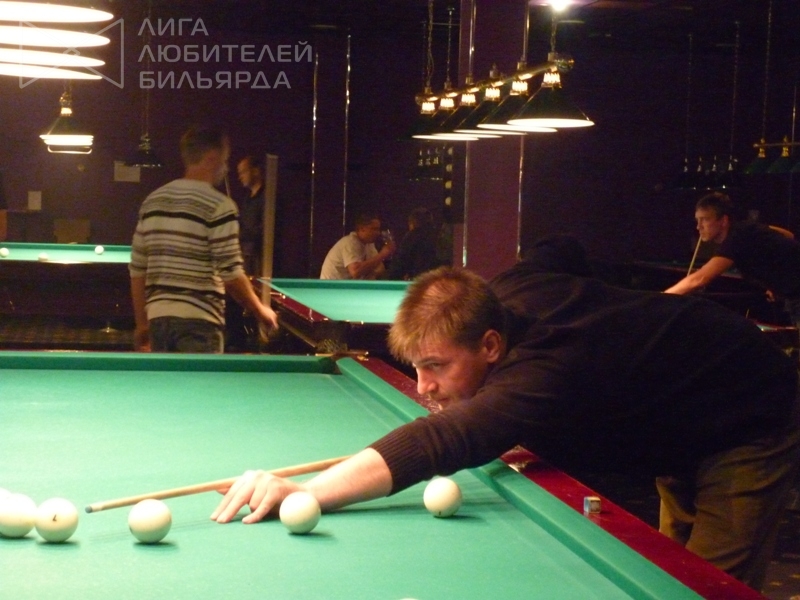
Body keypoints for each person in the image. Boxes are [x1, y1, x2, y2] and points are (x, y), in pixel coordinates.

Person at [212, 251, 800, 592]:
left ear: (491, 345)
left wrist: (310, 491)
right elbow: (558, 248)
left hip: (745, 414)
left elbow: (441, 441)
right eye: (416, 367)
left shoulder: (542, 373)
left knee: (706, 586)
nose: (424, 387)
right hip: (669, 411)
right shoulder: (501, 292)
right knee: (668, 567)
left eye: (436, 367)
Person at [129, 126, 278, 353]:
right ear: (212, 158)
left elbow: (137, 269)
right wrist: (260, 311)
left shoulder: (153, 201)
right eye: (225, 161)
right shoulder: (219, 206)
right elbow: (231, 274)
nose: (226, 168)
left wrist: (142, 324)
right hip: (199, 323)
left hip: (158, 320)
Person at [665, 191, 800, 327]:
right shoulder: (745, 229)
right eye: (697, 220)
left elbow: (699, 279)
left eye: (705, 219)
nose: (698, 226)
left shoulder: (737, 238)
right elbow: (788, 234)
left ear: (723, 221)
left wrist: (662, 298)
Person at [225, 154, 265, 352]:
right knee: (233, 299)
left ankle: (254, 342)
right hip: (244, 256)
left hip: (259, 260)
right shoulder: (248, 199)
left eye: (243, 171)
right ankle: (236, 342)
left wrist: (239, 230)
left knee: (251, 300)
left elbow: (264, 232)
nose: (240, 176)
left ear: (256, 171)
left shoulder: (267, 199)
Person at [319, 214, 396, 280]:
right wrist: (383, 254)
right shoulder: (350, 242)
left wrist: (366, 270)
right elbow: (355, 271)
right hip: (332, 287)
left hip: (348, 287)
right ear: (361, 229)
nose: (378, 233)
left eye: (378, 229)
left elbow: (380, 268)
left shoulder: (369, 244)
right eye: (374, 229)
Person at [387, 207, 441, 280]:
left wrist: (391, 280)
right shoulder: (439, 235)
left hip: (420, 281)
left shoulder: (412, 237)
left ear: (412, 223)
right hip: (440, 280)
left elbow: (399, 264)